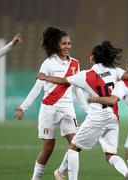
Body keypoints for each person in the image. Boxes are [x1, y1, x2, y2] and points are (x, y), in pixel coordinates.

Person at [36, 41, 128, 180]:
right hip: (113, 117)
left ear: (92, 58)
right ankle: (127, 173)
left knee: (73, 149)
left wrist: (45, 77)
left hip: (96, 117)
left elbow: (64, 81)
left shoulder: (86, 75)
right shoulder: (114, 71)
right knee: (110, 155)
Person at [15, 27, 88, 180]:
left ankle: (61, 172)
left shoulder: (75, 63)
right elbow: (37, 87)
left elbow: (77, 89)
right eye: (64, 44)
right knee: (48, 148)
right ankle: (35, 178)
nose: (67, 46)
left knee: (76, 144)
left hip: (68, 110)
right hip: (49, 109)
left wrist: (87, 109)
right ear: (56, 45)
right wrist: (23, 107)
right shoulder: (48, 63)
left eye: (69, 43)